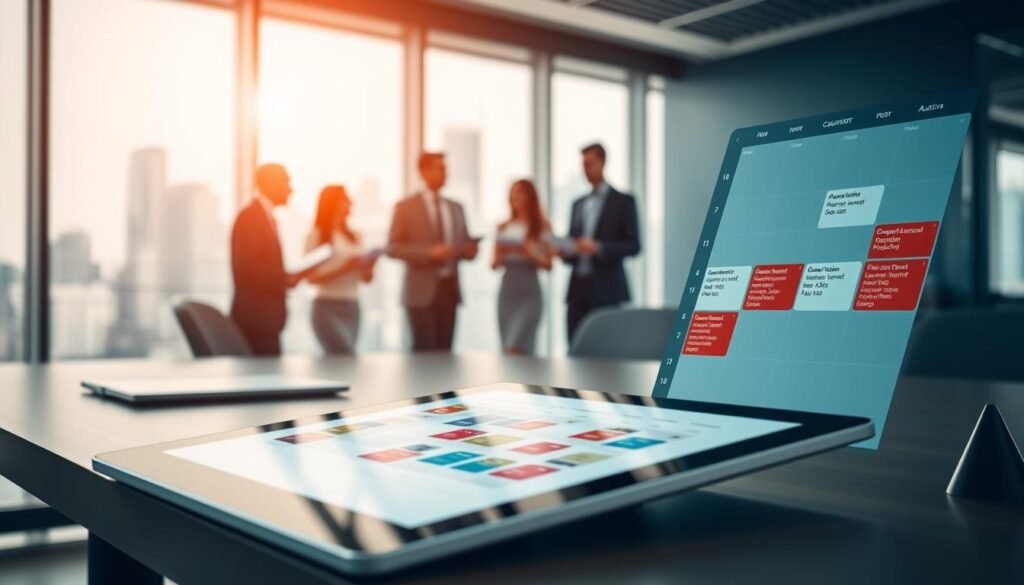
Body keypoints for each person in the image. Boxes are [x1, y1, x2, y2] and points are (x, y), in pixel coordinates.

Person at [388, 152, 478, 351]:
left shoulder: (456, 207)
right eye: (441, 168)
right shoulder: (405, 207)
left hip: (449, 291)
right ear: (424, 171)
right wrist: (429, 253)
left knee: (446, 353)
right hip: (420, 293)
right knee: (423, 355)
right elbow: (393, 248)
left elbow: (465, 243)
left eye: (446, 168)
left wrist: (469, 250)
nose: (446, 173)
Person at [561, 143, 641, 345]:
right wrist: (565, 250)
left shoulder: (623, 201)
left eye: (590, 164)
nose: (585, 170)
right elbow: (573, 242)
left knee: (608, 349)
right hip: (577, 290)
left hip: (607, 290)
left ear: (603, 162)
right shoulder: (577, 204)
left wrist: (599, 248)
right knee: (575, 347)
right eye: (583, 165)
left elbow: (634, 245)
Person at [230, 163, 302, 356]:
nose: (291, 189)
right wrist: (285, 277)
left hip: (265, 322)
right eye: (286, 182)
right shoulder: (251, 217)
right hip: (257, 322)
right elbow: (246, 268)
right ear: (271, 183)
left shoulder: (263, 217)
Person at [304, 185, 376, 354]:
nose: (350, 202)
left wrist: (369, 266)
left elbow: (367, 279)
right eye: (345, 198)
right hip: (326, 306)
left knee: (346, 360)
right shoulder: (317, 236)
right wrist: (344, 268)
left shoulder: (356, 236)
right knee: (343, 354)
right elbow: (310, 278)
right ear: (333, 203)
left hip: (352, 305)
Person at [493, 179, 553, 355]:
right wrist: (502, 251)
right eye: (513, 192)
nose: (515, 197)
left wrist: (529, 252)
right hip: (507, 294)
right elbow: (494, 264)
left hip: (530, 295)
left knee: (518, 346)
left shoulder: (542, 227)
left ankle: (527, 382)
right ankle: (513, 383)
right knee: (507, 348)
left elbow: (548, 264)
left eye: (520, 192)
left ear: (530, 197)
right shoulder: (503, 227)